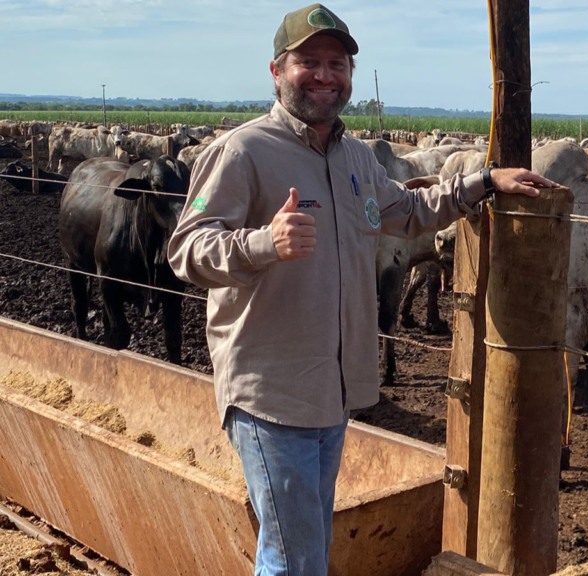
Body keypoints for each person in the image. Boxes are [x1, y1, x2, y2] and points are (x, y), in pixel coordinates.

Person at [167, 4, 556, 575]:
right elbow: (186, 249)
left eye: (337, 63)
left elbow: (406, 209)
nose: (325, 75)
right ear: (276, 72)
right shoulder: (243, 151)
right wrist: (262, 244)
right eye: (309, 62)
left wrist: (484, 181)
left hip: (335, 391)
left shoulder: (354, 159)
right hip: (270, 394)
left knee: (304, 548)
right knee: (293, 558)